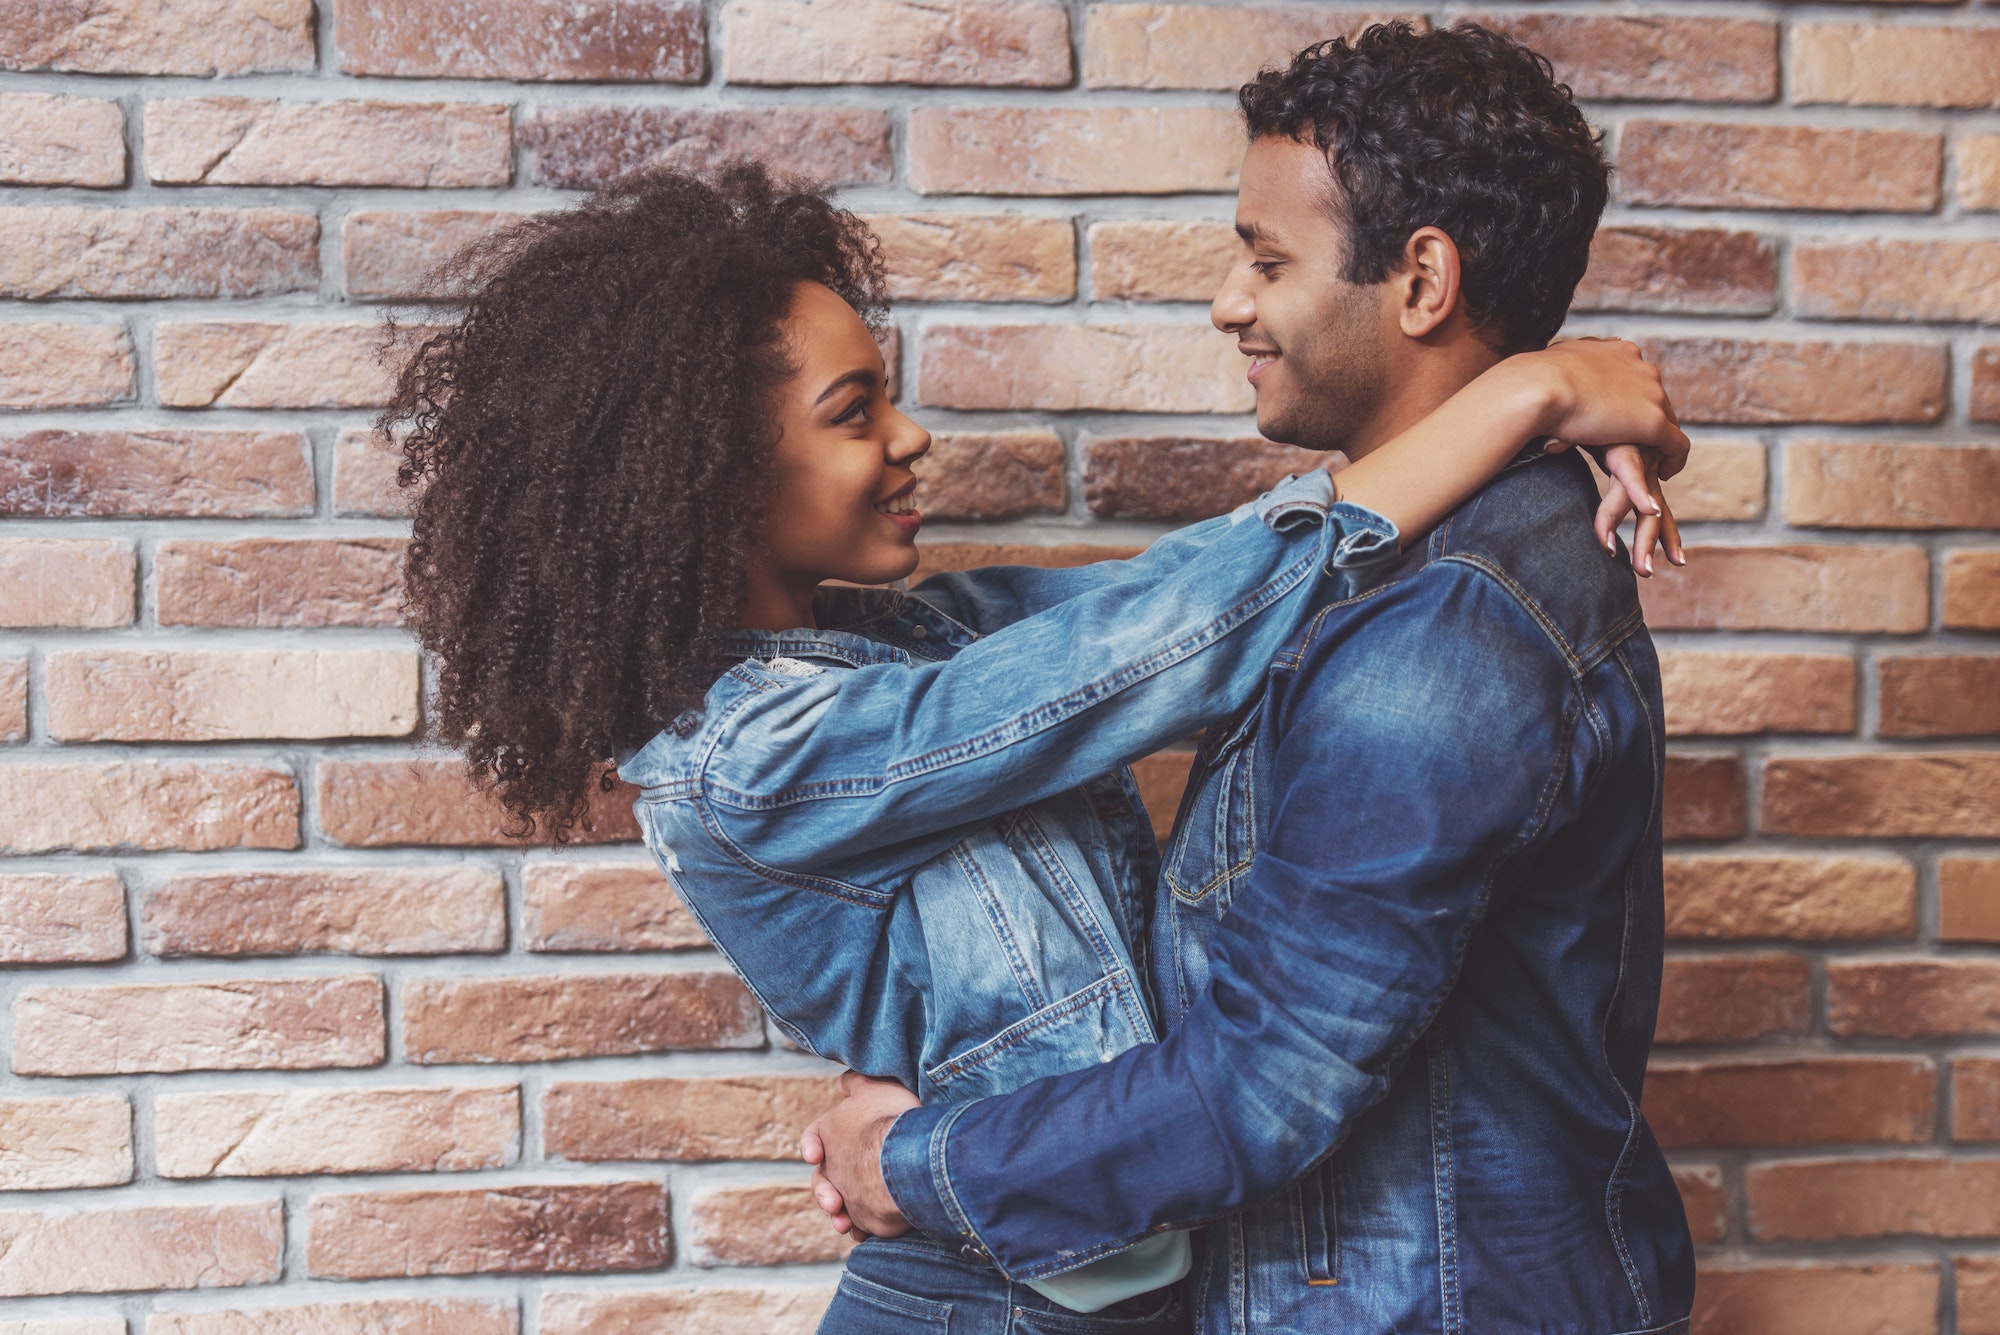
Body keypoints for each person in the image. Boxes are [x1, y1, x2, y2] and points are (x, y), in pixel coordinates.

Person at [382, 158, 1685, 1334]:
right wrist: (1534, 387)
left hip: (1078, 1281)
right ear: (714, 472)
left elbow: (1171, 602)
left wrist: (1519, 415)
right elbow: (1164, 642)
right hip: (975, 1305)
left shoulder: (921, 639)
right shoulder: (751, 755)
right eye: (854, 413)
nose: (910, 438)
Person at [806, 23, 1699, 1335]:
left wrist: (916, 1165)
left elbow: (1261, 1088)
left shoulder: (1446, 628)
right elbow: (1105, 631)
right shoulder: (1389, 558)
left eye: (1266, 259)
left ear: (1421, 280)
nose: (1231, 300)